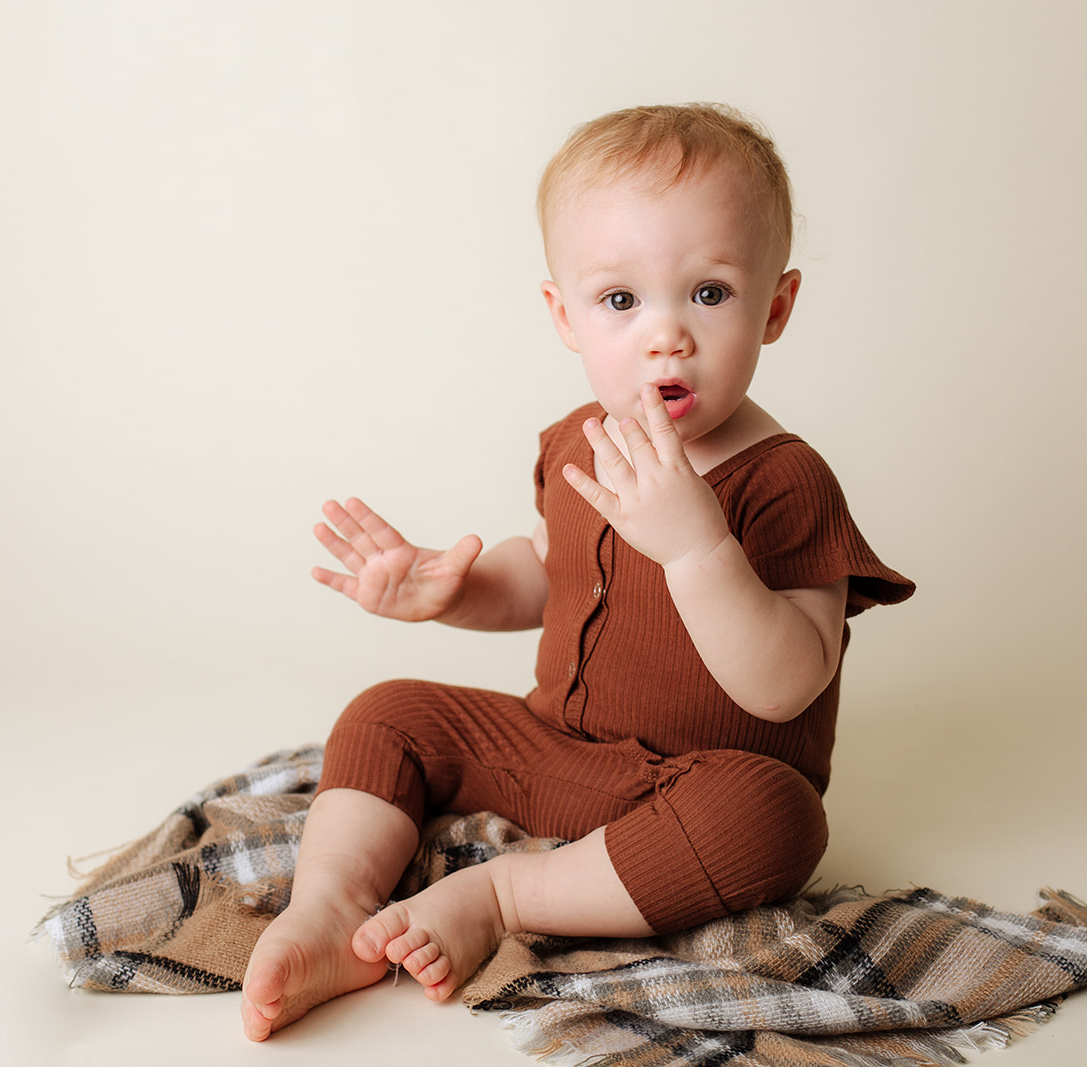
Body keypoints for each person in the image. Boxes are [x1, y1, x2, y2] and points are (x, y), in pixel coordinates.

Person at [240, 103, 914, 1042]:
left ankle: (504, 896)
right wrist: (452, 595)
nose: (665, 335)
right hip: (554, 748)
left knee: (777, 819)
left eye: (710, 294)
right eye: (621, 301)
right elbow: (552, 576)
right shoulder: (576, 445)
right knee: (388, 711)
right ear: (566, 316)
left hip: (695, 784)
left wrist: (696, 547)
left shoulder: (786, 479)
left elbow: (790, 679)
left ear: (777, 305)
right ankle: (326, 906)